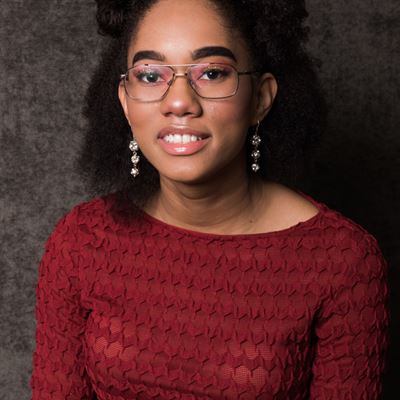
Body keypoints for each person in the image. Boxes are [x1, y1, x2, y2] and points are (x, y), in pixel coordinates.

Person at [31, 0, 389, 399]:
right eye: (150, 75)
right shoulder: (81, 241)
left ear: (260, 98)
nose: (179, 102)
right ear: (126, 101)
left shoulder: (343, 262)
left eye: (212, 73)